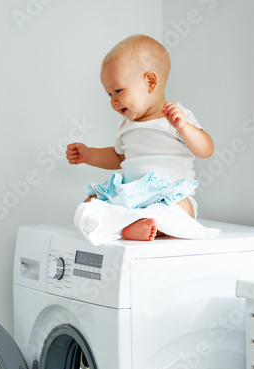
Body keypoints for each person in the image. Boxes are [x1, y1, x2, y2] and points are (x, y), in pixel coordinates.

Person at [66, 34, 214, 241]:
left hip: (165, 197)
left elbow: (205, 150)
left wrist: (184, 128)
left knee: (183, 209)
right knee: (88, 206)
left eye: (118, 91)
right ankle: (131, 223)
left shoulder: (176, 117)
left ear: (150, 82)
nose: (114, 101)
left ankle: (139, 226)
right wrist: (89, 155)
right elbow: (119, 157)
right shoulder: (126, 125)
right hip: (128, 195)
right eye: (109, 94)